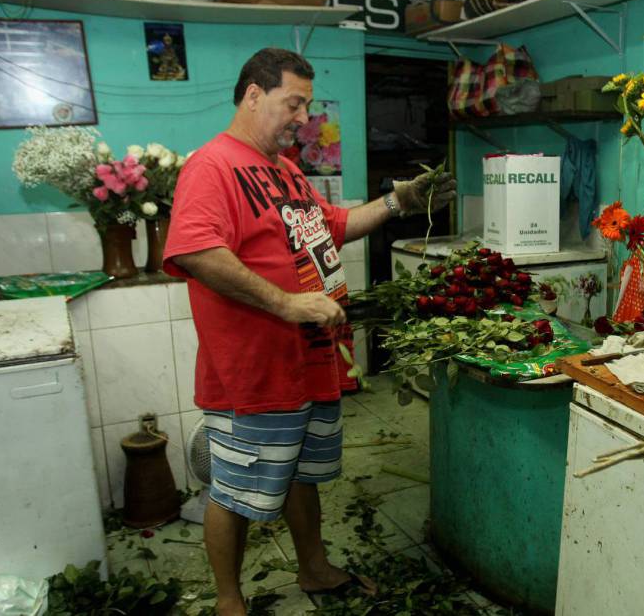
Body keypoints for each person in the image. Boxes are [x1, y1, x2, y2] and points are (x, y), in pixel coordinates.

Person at [162, 47, 455, 616]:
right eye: (294, 104)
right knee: (234, 491)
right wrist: (285, 303)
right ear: (254, 95)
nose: (303, 118)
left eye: (306, 105)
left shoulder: (286, 170)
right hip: (254, 372)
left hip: (309, 364)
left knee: (302, 475)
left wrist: (398, 200)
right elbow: (196, 251)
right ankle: (229, 602)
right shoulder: (212, 166)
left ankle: (314, 568)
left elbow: (333, 225)